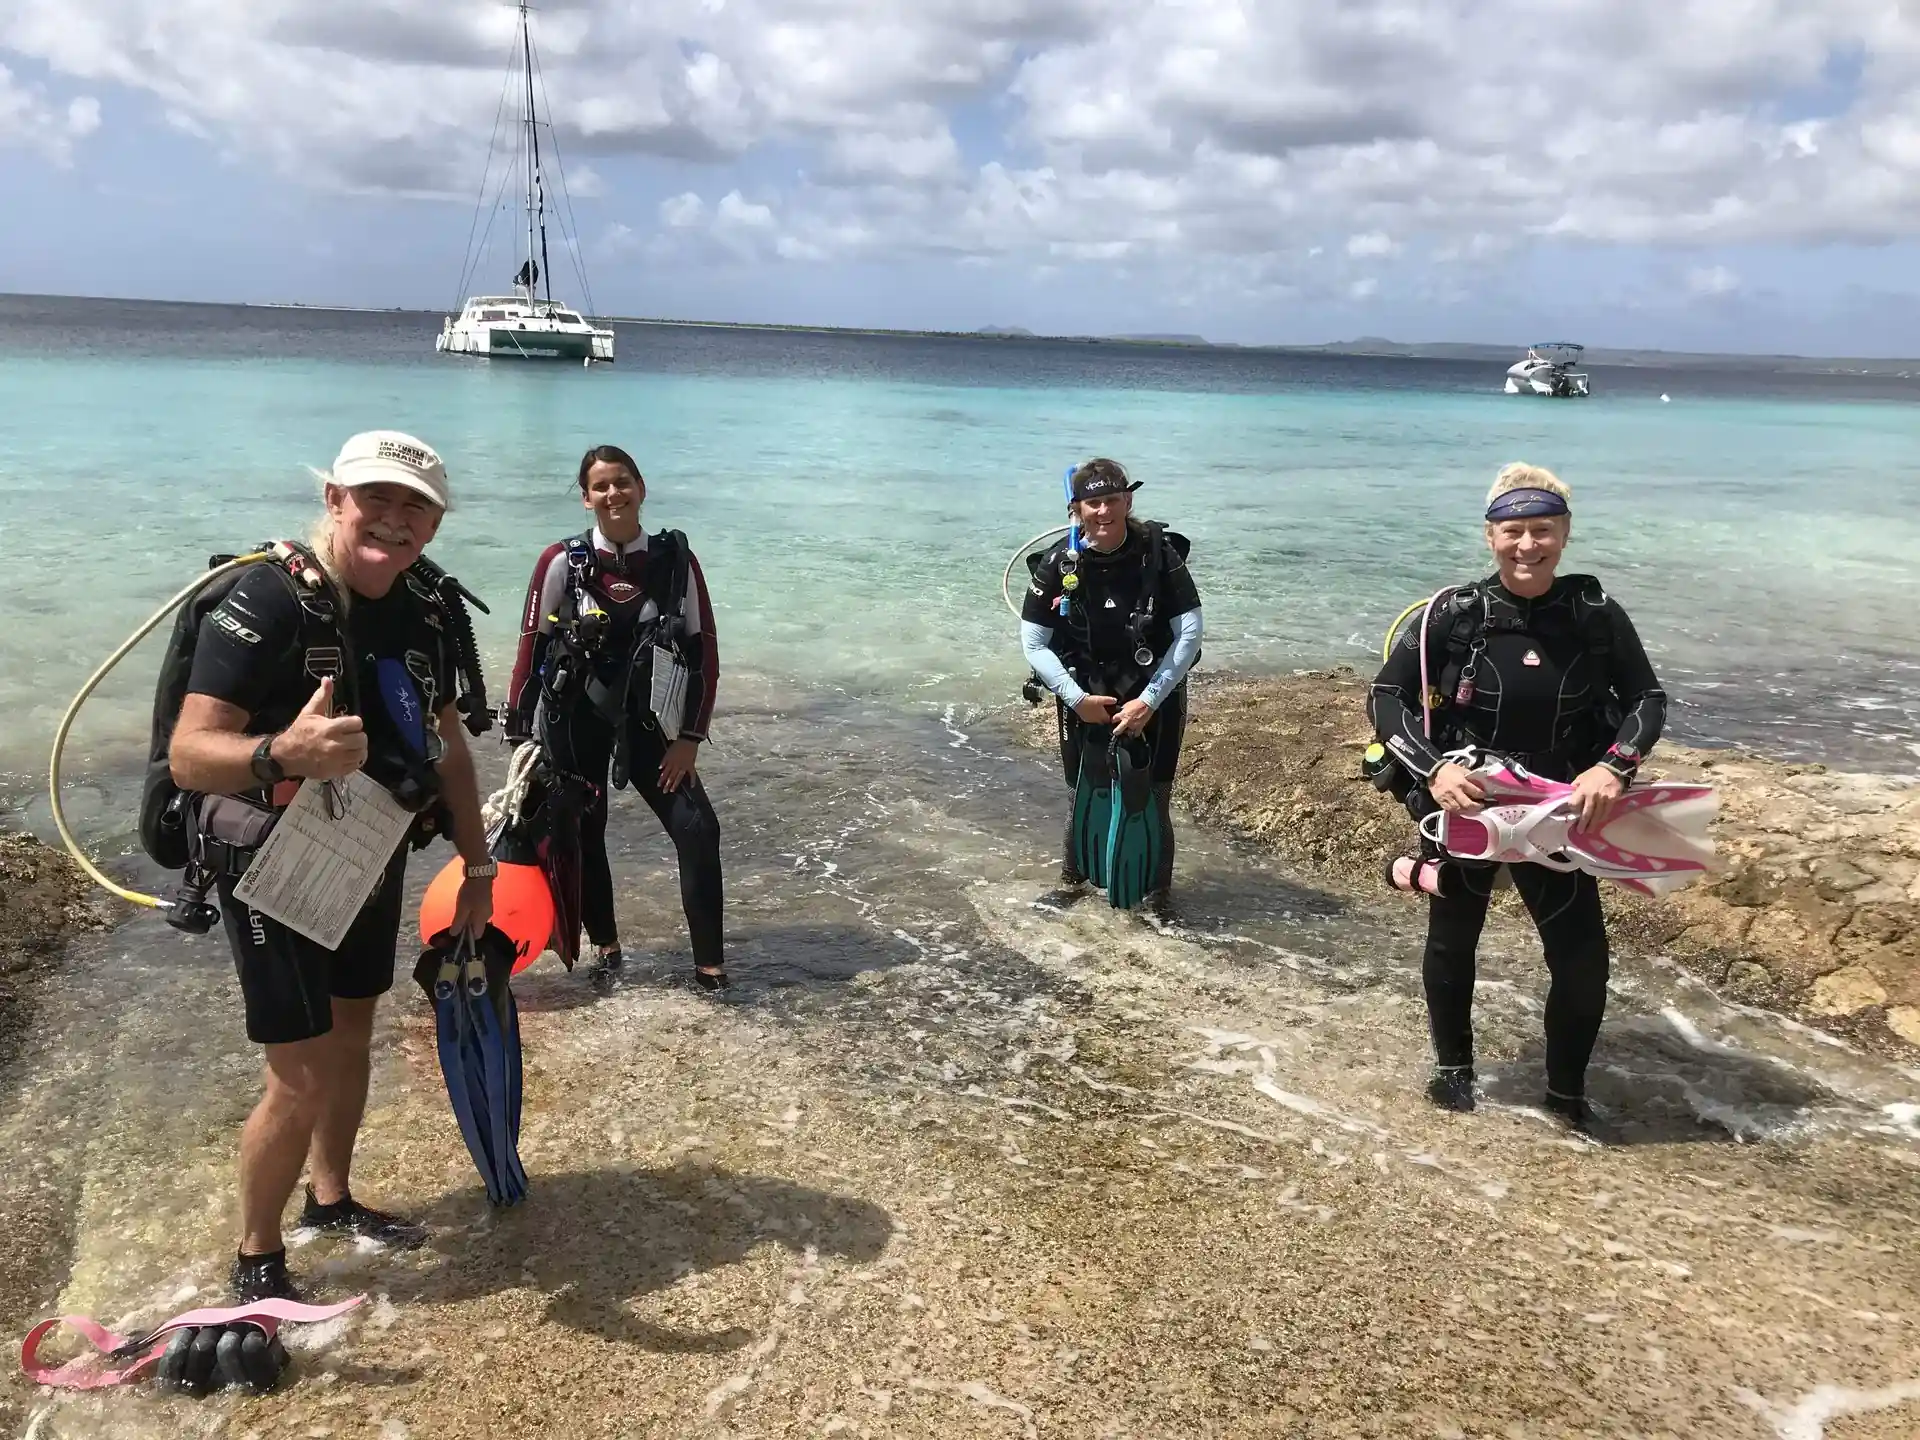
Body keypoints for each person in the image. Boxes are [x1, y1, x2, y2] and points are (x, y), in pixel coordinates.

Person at [168, 431, 496, 1301]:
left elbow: (450, 747)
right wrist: (285, 751)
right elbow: (189, 756)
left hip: (366, 845)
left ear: (433, 524)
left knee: (354, 1033)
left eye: (414, 506)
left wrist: (478, 862)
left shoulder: (426, 610)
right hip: (269, 857)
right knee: (300, 1070)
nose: (393, 519)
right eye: (375, 499)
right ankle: (257, 1260)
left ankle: (332, 1201)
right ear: (335, 500)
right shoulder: (268, 600)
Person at [1367, 463, 1668, 1127]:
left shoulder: (1593, 615)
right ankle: (1453, 1072)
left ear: (1564, 533)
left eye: (1541, 530)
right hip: (1469, 801)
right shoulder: (1455, 613)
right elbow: (1385, 696)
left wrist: (1614, 767)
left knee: (1582, 959)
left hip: (1559, 809)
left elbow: (1647, 697)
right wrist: (1432, 771)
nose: (1527, 545)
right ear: (1489, 536)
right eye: (1512, 532)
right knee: (1453, 937)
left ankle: (1564, 1094)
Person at [505, 443, 725, 995]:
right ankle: (607, 949)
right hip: (575, 721)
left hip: (652, 725)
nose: (613, 494)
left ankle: (711, 971)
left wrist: (690, 740)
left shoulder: (675, 562)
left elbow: (705, 653)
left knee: (698, 828)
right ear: (586, 499)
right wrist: (519, 733)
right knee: (584, 831)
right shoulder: (562, 562)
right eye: (600, 486)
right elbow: (531, 647)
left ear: (642, 488)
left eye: (622, 481)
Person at [1020, 458, 1204, 918]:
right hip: (1084, 696)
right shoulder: (1058, 564)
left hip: (1153, 693)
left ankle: (1158, 896)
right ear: (1076, 509)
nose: (1104, 511)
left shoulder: (1159, 555)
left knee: (1154, 797)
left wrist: (1148, 701)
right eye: (1093, 502)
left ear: (1128, 500)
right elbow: (1034, 642)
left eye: (1113, 500)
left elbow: (1190, 632)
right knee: (1083, 791)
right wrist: (1075, 699)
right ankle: (1072, 882)